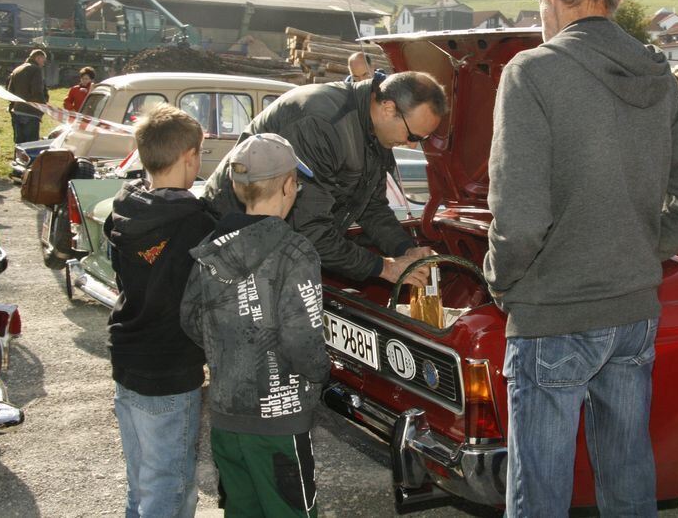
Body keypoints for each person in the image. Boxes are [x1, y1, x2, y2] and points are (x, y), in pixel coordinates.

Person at [483, 0, 678, 517]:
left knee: (538, 494)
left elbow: (520, 220)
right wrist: (636, 247)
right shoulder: (658, 75)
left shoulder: (531, 73)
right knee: (628, 477)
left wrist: (500, 282)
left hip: (554, 315)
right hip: (633, 315)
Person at [182, 133, 328, 518]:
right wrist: (318, 374)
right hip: (281, 422)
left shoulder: (212, 246)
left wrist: (231, 356)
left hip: (228, 416)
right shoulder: (296, 252)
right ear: (288, 184)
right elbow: (302, 338)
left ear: (235, 185)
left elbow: (191, 318)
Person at [203, 71, 447, 289]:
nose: (413, 144)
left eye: (421, 139)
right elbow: (309, 228)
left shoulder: (377, 131)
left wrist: (406, 250)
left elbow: (372, 207)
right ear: (388, 108)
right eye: (412, 135)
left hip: (277, 244)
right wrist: (385, 268)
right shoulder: (322, 123)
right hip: (235, 244)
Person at [104, 104, 216, 518]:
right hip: (169, 369)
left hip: (126, 355)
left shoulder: (124, 206)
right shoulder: (195, 223)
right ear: (190, 156)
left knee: (142, 480)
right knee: (170, 486)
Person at [6, 49, 48, 143]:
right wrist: (43, 107)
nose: (43, 64)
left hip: (17, 111)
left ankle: (17, 158)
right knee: (30, 145)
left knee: (19, 143)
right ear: (38, 58)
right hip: (31, 112)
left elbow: (10, 91)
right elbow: (37, 92)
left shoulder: (17, 69)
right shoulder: (35, 69)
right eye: (43, 61)